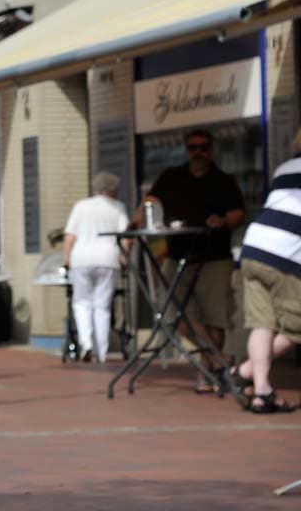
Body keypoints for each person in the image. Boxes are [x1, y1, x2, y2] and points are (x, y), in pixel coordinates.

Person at [144, 129, 245, 390]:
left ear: (212, 150)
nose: (198, 152)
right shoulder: (171, 177)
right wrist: (143, 216)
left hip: (214, 256)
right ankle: (219, 359)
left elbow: (238, 214)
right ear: (185, 150)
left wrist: (222, 220)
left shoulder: (224, 180)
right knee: (173, 314)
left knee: (215, 317)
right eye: (192, 147)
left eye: (203, 147)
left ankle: (206, 372)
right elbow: (151, 201)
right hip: (177, 254)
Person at [226, 129, 301, 413]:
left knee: (262, 324)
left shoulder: (284, 169)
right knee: (296, 327)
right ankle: (245, 371)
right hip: (286, 254)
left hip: (254, 247)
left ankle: (260, 391)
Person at [61, 172, 129, 363]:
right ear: (112, 189)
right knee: (103, 306)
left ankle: (86, 343)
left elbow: (69, 236)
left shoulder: (81, 206)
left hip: (81, 258)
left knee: (81, 302)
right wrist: (124, 258)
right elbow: (125, 237)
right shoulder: (118, 207)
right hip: (108, 258)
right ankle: (102, 351)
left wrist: (66, 258)